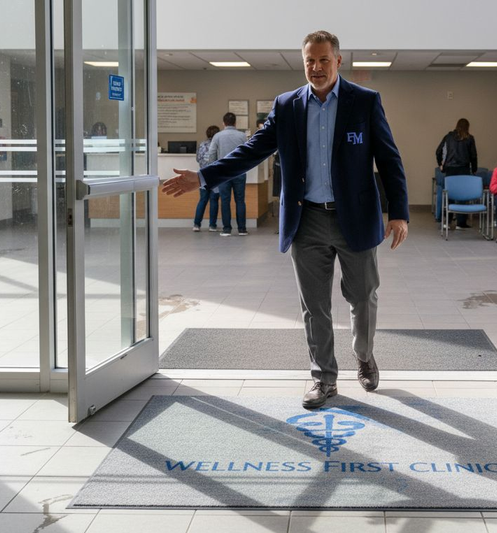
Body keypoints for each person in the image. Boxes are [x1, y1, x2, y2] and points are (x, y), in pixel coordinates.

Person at [162, 30, 409, 409]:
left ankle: (363, 353)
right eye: (310, 60)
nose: (316, 67)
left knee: (363, 295)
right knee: (315, 305)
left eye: (324, 60)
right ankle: (324, 378)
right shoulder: (288, 104)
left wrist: (400, 213)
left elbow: (389, 159)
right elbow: (252, 150)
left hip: (355, 219)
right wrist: (204, 176)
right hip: (305, 218)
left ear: (338, 61)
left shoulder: (365, 101)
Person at [206, 112, 250, 236]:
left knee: (225, 200)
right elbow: (248, 153)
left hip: (223, 172)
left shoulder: (218, 136)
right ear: (235, 122)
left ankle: (227, 229)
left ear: (223, 123)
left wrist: (213, 168)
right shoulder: (242, 136)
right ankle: (242, 229)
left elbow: (211, 153)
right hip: (239, 172)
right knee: (240, 200)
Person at [435, 118, 477, 228]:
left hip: (450, 169)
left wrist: (441, 164)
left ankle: (447, 222)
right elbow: (473, 155)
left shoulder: (448, 137)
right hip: (464, 169)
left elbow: (438, 151)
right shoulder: (470, 138)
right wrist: (474, 169)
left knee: (449, 195)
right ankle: (461, 223)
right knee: (462, 196)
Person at [192, 125, 221, 232]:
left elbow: (198, 159)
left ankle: (196, 224)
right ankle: (212, 225)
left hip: (203, 175)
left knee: (203, 200)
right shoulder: (218, 145)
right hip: (215, 175)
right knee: (214, 200)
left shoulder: (202, 144)